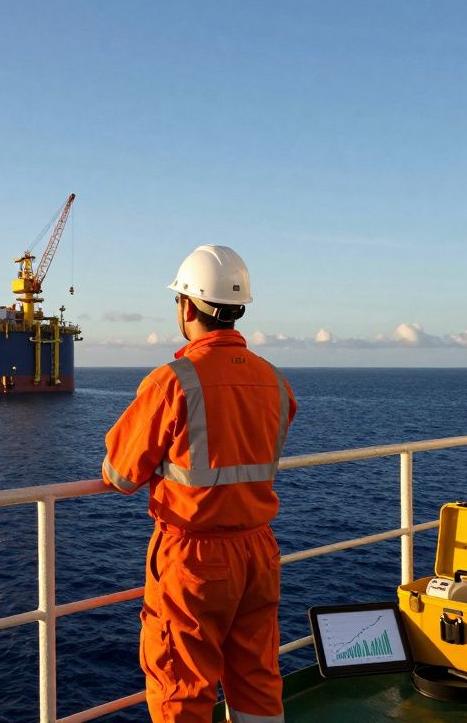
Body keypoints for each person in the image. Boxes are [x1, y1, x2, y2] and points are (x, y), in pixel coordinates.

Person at [101, 245, 297, 723]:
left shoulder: (173, 381)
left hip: (194, 559)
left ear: (187, 307)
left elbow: (122, 474)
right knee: (257, 679)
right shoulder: (274, 381)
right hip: (258, 553)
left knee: (181, 689)